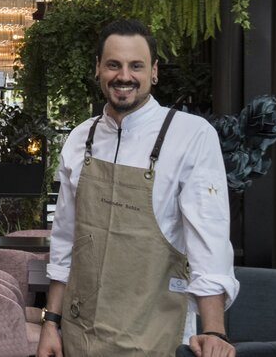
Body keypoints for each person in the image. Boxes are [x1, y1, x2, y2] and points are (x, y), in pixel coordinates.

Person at [37, 19, 239, 357]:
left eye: (136, 66)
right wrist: (50, 322)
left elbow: (210, 242)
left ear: (154, 71)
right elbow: (65, 240)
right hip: (80, 332)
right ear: (98, 68)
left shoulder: (191, 135)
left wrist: (215, 331)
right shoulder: (79, 139)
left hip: (156, 332)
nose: (124, 76)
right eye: (114, 64)